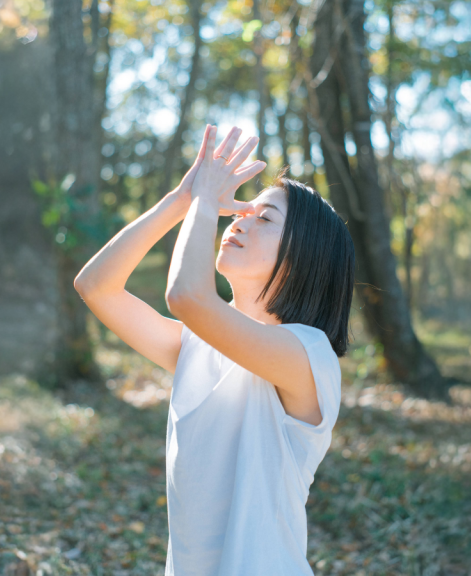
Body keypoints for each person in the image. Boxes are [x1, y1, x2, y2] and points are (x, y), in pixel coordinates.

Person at [74, 124, 355, 574]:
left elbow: (187, 296)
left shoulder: (307, 356)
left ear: (306, 255)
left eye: (264, 218)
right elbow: (96, 286)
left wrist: (206, 200)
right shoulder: (195, 346)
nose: (239, 218)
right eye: (242, 210)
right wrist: (181, 199)